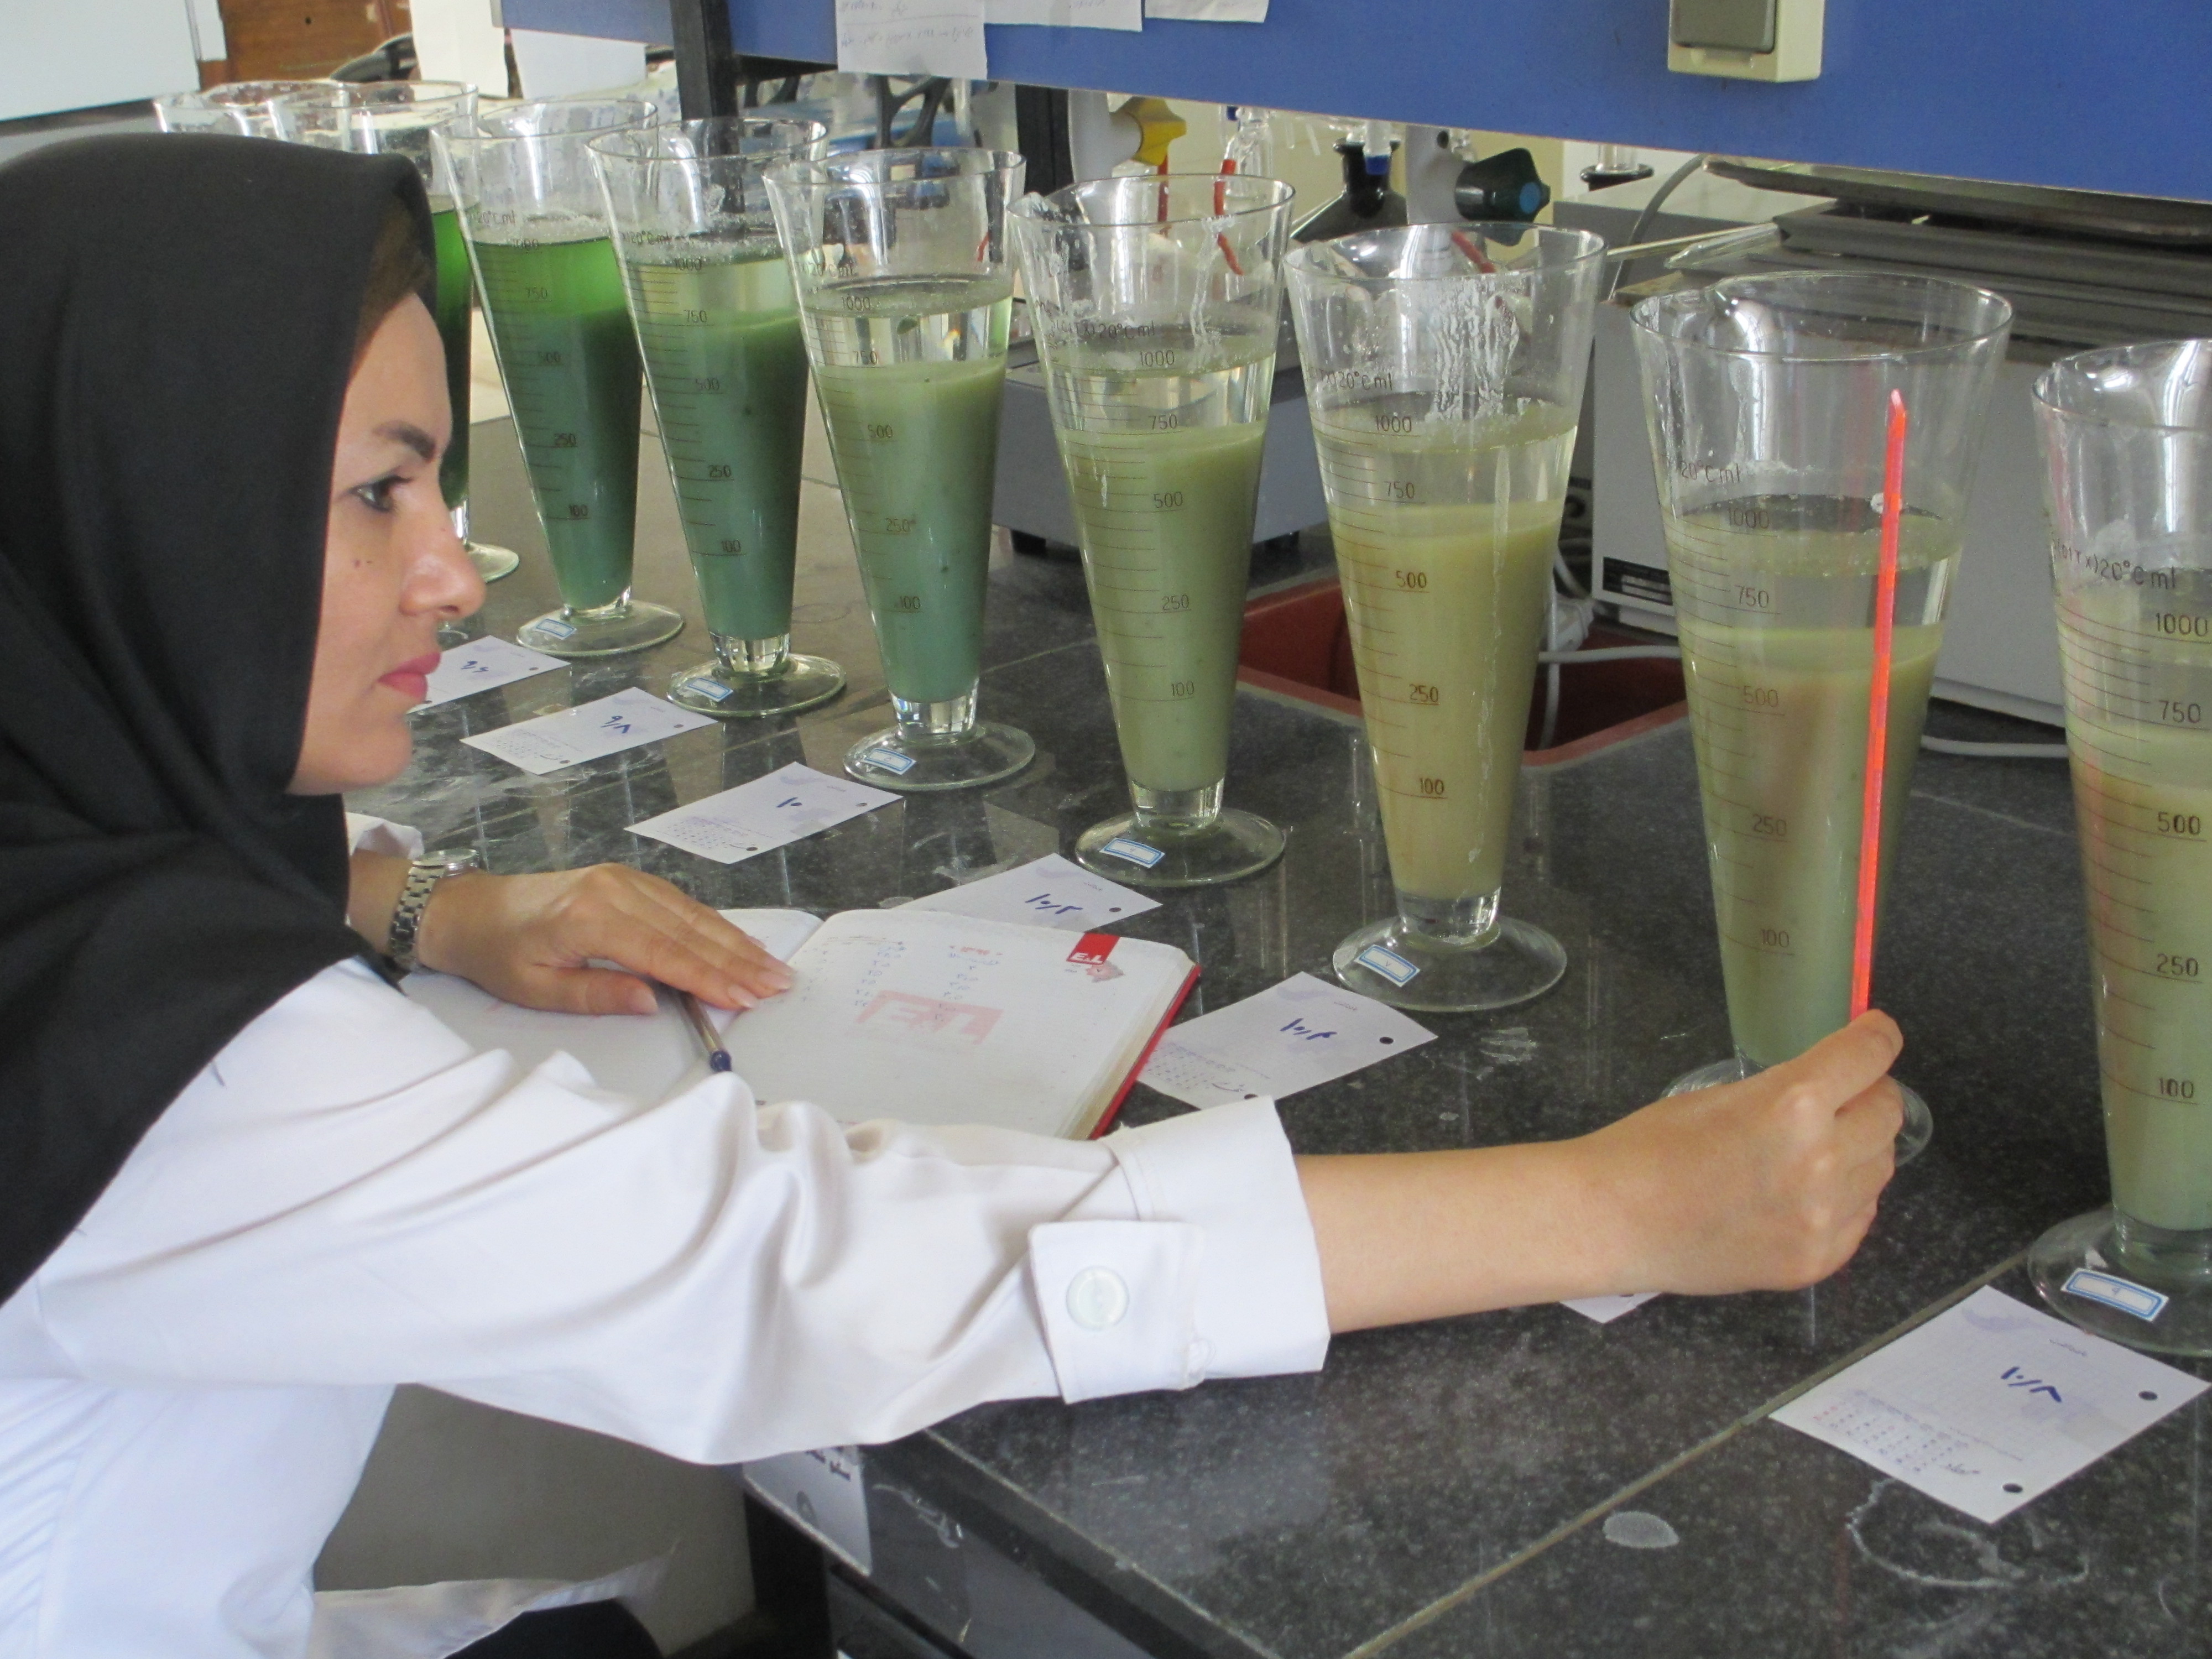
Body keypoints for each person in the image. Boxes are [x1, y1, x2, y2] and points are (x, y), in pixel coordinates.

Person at [0, 134, 1904, 1659]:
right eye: (378, 495)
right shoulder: (162, 1067)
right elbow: (791, 1271)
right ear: (135, 503)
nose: (455, 571)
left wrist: (417, 900)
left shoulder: (63, 814)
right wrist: (1615, 1206)